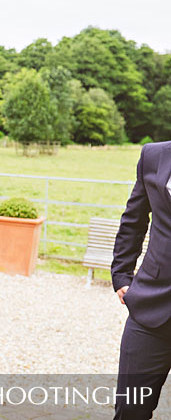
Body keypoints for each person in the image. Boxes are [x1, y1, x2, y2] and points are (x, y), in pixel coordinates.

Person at [111, 141, 171, 419]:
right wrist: (122, 273)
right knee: (130, 409)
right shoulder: (154, 155)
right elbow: (134, 219)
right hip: (151, 309)